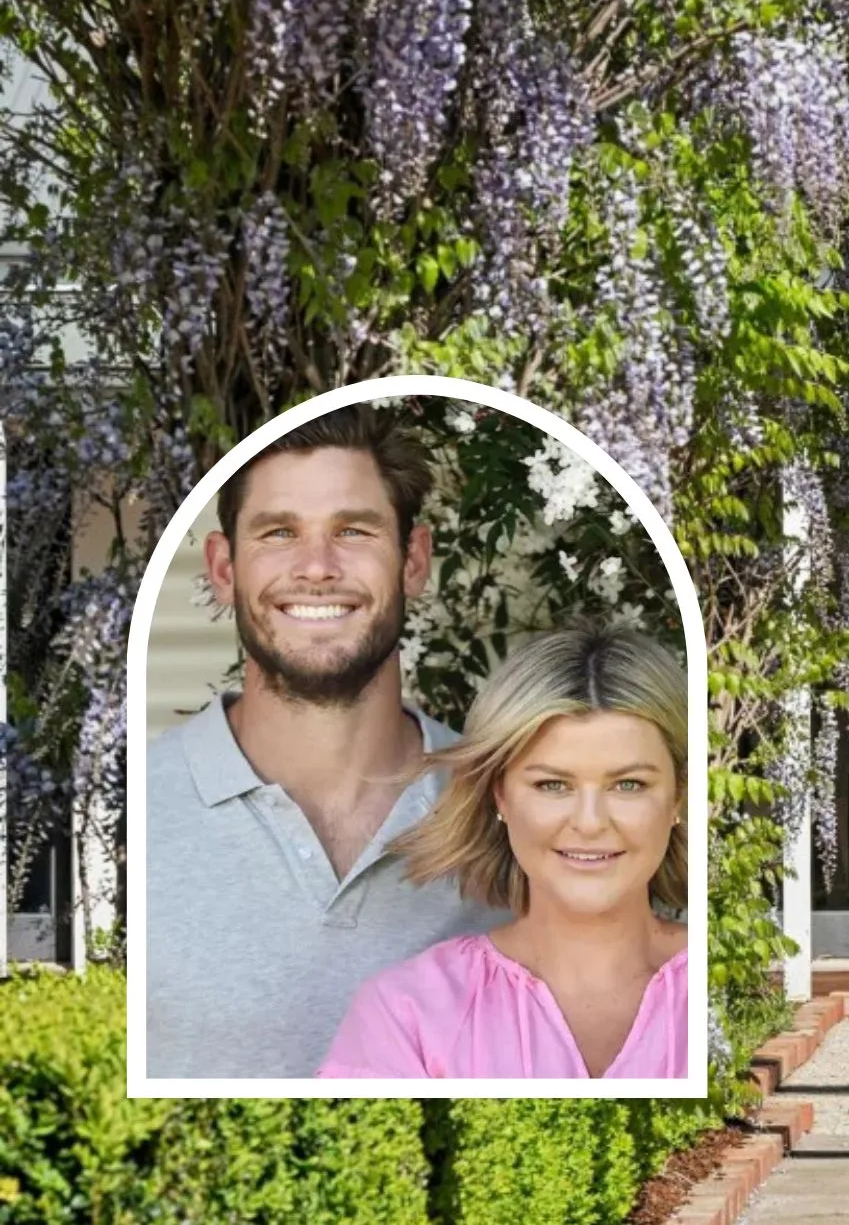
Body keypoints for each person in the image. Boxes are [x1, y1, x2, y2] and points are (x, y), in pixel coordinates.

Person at [144, 405, 508, 1078]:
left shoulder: (515, 813)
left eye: (355, 531)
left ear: (414, 562)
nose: (317, 567)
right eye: (279, 532)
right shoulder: (133, 806)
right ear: (224, 570)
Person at [316, 626, 691, 1079]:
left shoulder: (729, 988)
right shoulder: (407, 1015)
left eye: (628, 784)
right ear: (501, 798)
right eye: (552, 785)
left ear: (678, 799)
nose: (590, 822)